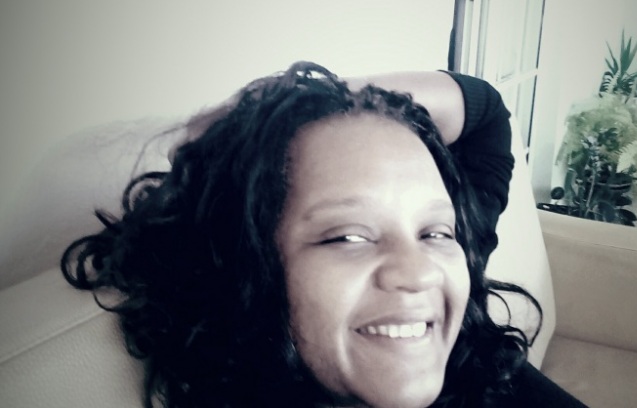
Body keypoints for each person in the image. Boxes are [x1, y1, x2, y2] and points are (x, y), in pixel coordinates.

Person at [61, 61, 584, 407]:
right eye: (348, 237)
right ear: (247, 266)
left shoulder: (458, 280)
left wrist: (289, 103)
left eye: (434, 232)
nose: (420, 272)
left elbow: (485, 113)